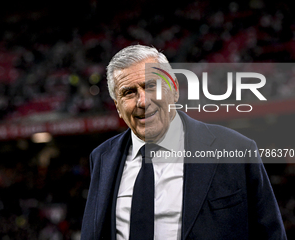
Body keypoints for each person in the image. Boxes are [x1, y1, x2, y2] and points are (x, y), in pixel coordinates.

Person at [81, 45, 287, 239]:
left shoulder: (236, 149)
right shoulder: (102, 157)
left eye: (151, 86)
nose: (143, 101)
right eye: (129, 93)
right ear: (118, 106)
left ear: (174, 89)